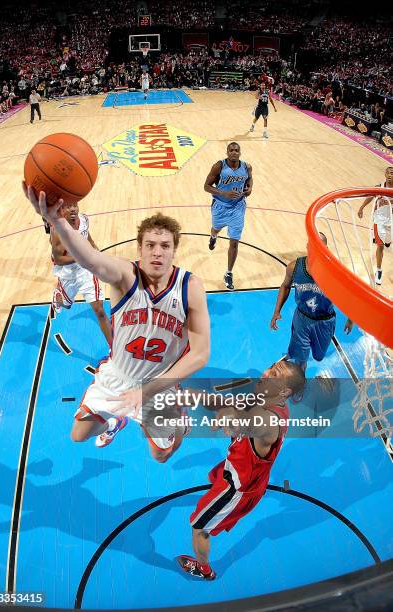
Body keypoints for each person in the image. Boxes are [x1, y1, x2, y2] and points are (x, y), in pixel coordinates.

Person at [24, 183, 210, 463]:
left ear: (175, 250)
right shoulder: (126, 275)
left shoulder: (190, 287)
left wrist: (146, 392)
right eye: (150, 245)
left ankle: (180, 424)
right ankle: (115, 422)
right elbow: (91, 260)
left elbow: (200, 354)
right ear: (140, 248)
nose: (157, 252)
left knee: (161, 456)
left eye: (164, 246)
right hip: (120, 375)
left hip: (158, 384)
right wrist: (57, 221)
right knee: (78, 434)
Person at [177, 359, 305, 580]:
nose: (265, 373)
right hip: (246, 472)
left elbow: (247, 422)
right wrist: (195, 395)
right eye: (271, 367)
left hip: (239, 488)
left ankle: (204, 569)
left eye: (273, 374)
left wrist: (230, 418)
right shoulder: (271, 400)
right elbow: (228, 404)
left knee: (198, 526)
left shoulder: (268, 422)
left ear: (284, 390)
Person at [270, 233, 353, 370]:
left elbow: (348, 296)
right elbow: (285, 286)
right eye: (312, 245)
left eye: (319, 246)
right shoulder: (294, 267)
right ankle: (299, 384)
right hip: (302, 318)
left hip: (325, 320)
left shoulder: (336, 271)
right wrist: (276, 311)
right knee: (300, 360)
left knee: (319, 356)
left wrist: (351, 319)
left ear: (325, 248)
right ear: (308, 246)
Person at [50, 201, 112, 346]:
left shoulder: (83, 220)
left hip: (86, 271)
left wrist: (95, 250)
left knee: (100, 311)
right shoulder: (58, 231)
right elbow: (58, 259)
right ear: (61, 210)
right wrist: (82, 256)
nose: (73, 209)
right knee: (65, 304)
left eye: (74, 205)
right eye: (68, 206)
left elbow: (88, 238)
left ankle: (113, 348)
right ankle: (58, 296)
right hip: (67, 273)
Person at [204, 142, 253, 290]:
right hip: (220, 206)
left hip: (238, 207)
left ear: (240, 152)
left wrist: (250, 188)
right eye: (231, 150)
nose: (234, 152)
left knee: (234, 242)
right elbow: (206, 186)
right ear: (227, 152)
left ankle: (229, 272)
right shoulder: (218, 166)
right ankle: (213, 236)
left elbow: (250, 179)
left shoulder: (246, 167)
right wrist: (224, 193)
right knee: (216, 228)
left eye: (236, 150)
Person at [358, 166, 393, 285]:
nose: (389, 175)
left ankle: (387, 240)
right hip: (379, 220)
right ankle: (379, 270)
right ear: (385, 174)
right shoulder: (379, 187)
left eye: (392, 173)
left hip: (391, 221)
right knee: (380, 246)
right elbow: (370, 196)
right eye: (387, 173)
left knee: (387, 241)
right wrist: (362, 207)